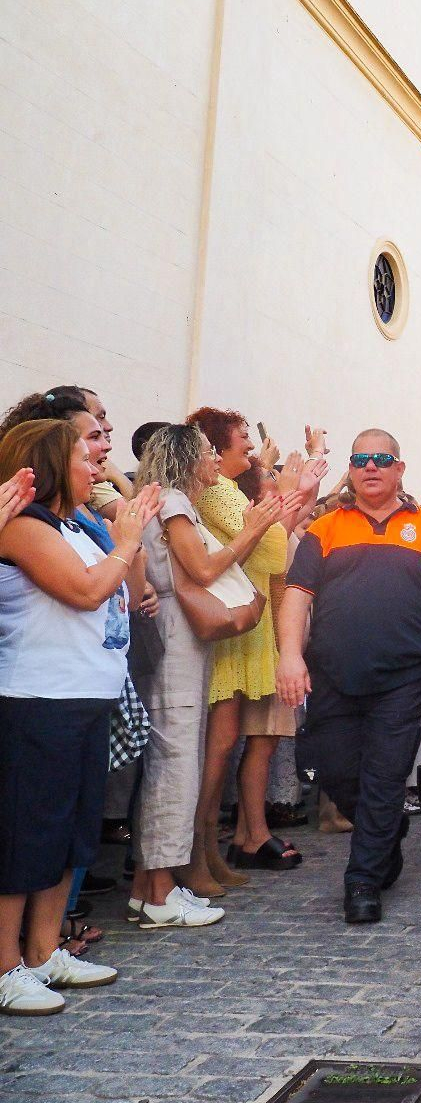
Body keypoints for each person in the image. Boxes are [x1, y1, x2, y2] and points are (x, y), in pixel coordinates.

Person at [0, 422, 159, 1015]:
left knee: (72, 834)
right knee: (27, 836)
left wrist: (129, 540)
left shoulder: (77, 525)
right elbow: (87, 592)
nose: (97, 464)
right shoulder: (25, 526)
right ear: (48, 463)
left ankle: (44, 952)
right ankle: (5, 964)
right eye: (82, 455)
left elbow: (128, 592)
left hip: (87, 698)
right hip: (38, 701)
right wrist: (123, 542)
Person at [277, 430, 421, 923]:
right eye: (361, 459)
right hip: (332, 676)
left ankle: (362, 881)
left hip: (403, 680)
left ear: (400, 468)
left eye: (382, 459)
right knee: (337, 773)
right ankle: (386, 836)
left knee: (384, 779)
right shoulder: (326, 529)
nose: (371, 467)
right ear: (353, 468)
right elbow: (296, 593)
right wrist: (290, 657)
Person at [131, 425, 279, 922]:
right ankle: (157, 894)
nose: (215, 459)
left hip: (178, 637)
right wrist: (253, 528)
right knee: (176, 761)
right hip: (175, 640)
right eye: (207, 451)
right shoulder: (174, 501)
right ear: (185, 458)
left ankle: (151, 887)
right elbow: (204, 569)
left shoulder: (170, 499)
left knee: (177, 759)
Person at [187, 407, 323, 875]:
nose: (249, 443)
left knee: (247, 743)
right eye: (241, 437)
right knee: (221, 747)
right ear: (216, 447)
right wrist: (286, 493)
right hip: (237, 630)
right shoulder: (216, 495)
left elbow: (272, 545)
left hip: (258, 626)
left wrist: (290, 495)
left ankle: (224, 844)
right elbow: (269, 550)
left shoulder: (226, 491)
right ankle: (200, 850)